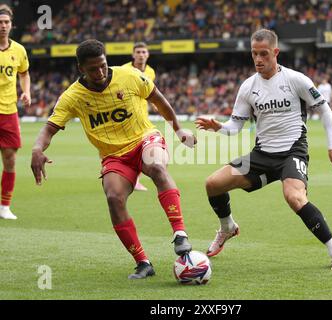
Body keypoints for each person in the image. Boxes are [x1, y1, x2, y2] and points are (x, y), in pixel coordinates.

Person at [31, 39, 196, 279]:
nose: (99, 72)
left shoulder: (129, 75)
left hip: (144, 138)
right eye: (92, 69)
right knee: (113, 197)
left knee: (157, 167)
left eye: (103, 65)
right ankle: (143, 263)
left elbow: (159, 100)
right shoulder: (72, 96)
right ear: (81, 69)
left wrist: (179, 131)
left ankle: (180, 233)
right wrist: (37, 148)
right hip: (114, 156)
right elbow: (49, 129)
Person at [195, 29, 332, 272]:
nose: (258, 59)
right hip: (262, 156)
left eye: (264, 54)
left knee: (295, 197)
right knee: (213, 184)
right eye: (254, 54)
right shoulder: (248, 87)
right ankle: (228, 227)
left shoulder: (296, 80)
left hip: (292, 152)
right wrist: (219, 127)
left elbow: (324, 110)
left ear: (275, 52)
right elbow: (235, 126)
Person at [0, 4, 31, 220]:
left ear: (11, 25)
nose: (2, 26)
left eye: (6, 23)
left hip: (9, 111)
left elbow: (24, 73)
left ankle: (4, 207)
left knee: (10, 160)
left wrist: (26, 91)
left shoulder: (19, 50)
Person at [122, 42, 156, 191]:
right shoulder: (123, 70)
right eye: (138, 52)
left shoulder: (150, 72)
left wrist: (155, 103)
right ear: (133, 55)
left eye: (144, 52)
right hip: (125, 115)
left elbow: (148, 92)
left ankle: (134, 180)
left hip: (142, 116)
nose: (141, 54)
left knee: (143, 147)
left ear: (147, 54)